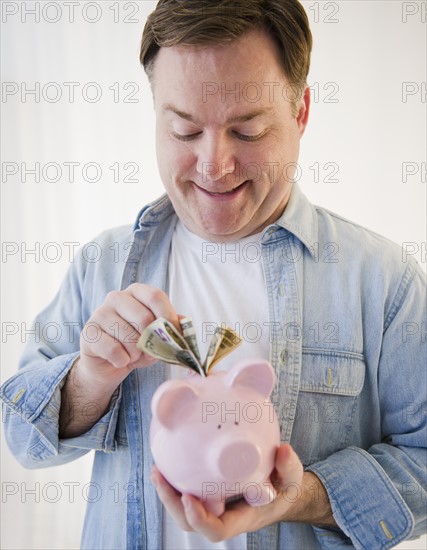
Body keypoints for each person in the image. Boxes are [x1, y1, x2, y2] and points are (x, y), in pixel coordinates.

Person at [1, 0, 426, 548]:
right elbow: (18, 436)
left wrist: (303, 498)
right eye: (184, 131)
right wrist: (89, 378)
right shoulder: (101, 266)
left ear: (301, 114)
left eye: (247, 131)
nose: (213, 165)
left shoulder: (383, 282)